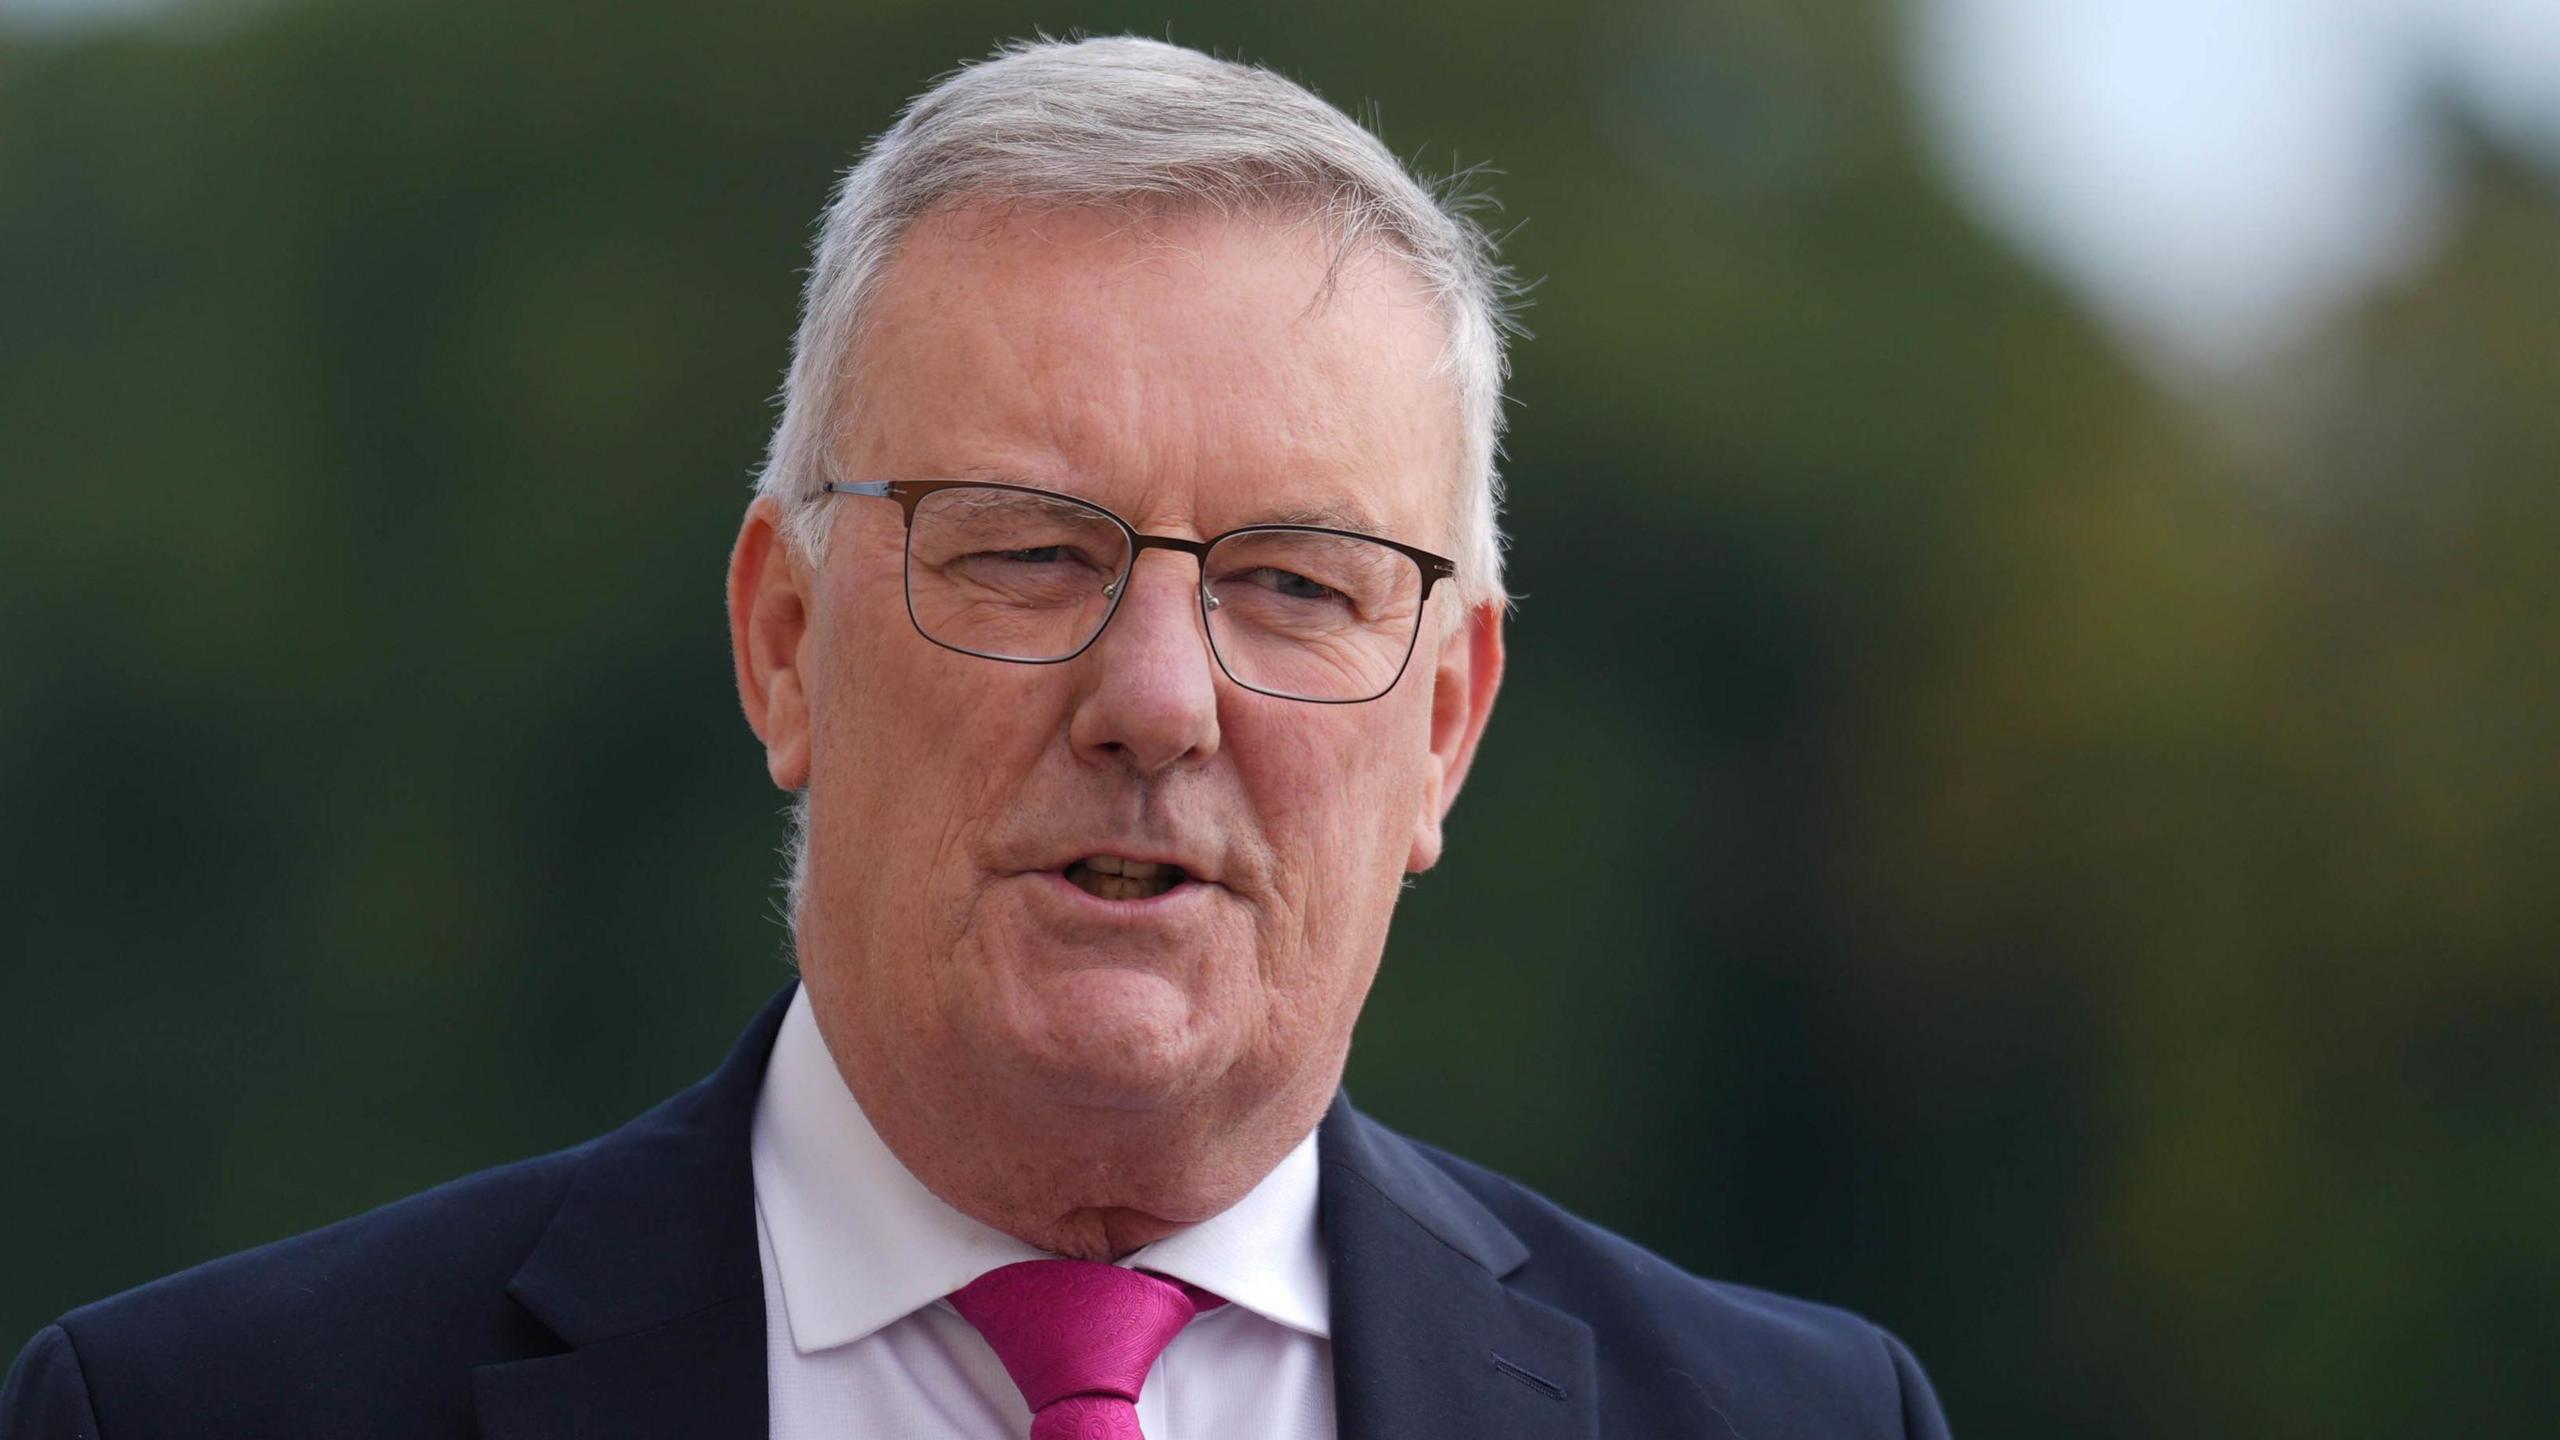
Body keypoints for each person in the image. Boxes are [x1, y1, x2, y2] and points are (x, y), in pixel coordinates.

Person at [2, 36, 1950, 1440]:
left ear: (1442, 726)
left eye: (1293, 585)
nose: (1158, 703)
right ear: (780, 641)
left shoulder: (1789, 1418)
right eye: (1027, 554)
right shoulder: (198, 1409)